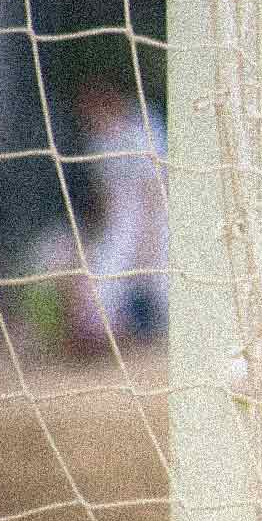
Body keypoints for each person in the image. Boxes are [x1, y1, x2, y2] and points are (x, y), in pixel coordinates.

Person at [76, 83, 170, 345]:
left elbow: (157, 184)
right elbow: (103, 192)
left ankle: (169, 332)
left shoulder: (143, 126)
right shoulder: (98, 140)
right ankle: (101, 331)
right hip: (122, 219)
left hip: (157, 214)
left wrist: (149, 234)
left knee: (162, 273)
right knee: (106, 269)